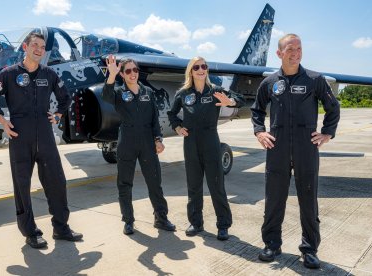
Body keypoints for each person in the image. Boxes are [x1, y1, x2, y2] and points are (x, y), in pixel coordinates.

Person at [0, 32, 83, 249]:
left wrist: (57, 114)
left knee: (57, 182)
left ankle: (61, 227)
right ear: (25, 46)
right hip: (20, 136)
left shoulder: (49, 74)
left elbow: (65, 98)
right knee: (22, 186)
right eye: (35, 45)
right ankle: (30, 232)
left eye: (42, 46)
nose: (39, 49)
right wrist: (2, 120)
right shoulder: (8, 75)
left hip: (45, 136)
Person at [251, 34, 340, 268]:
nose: (296, 53)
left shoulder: (315, 79)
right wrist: (260, 131)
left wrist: (327, 132)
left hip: (306, 148)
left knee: (308, 201)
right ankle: (272, 244)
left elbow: (333, 107)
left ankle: (309, 249)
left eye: (299, 48)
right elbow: (256, 110)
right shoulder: (269, 83)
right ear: (279, 53)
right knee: (274, 200)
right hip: (277, 148)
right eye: (290, 49)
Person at [167, 56, 245, 240]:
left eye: (204, 66)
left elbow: (240, 99)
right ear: (191, 71)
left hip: (210, 140)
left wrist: (230, 102)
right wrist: (178, 127)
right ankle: (196, 222)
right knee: (193, 185)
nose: (201, 69)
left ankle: (223, 225)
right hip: (191, 142)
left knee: (216, 184)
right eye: (196, 67)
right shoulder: (183, 93)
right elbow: (171, 114)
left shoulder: (215, 91)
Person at [102, 55, 176, 235]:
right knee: (125, 183)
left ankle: (161, 217)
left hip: (147, 142)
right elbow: (106, 95)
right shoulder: (119, 93)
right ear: (123, 74)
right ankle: (128, 220)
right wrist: (111, 75)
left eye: (135, 70)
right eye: (128, 71)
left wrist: (158, 139)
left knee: (154, 182)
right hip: (127, 141)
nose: (132, 74)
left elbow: (154, 120)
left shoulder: (147, 92)